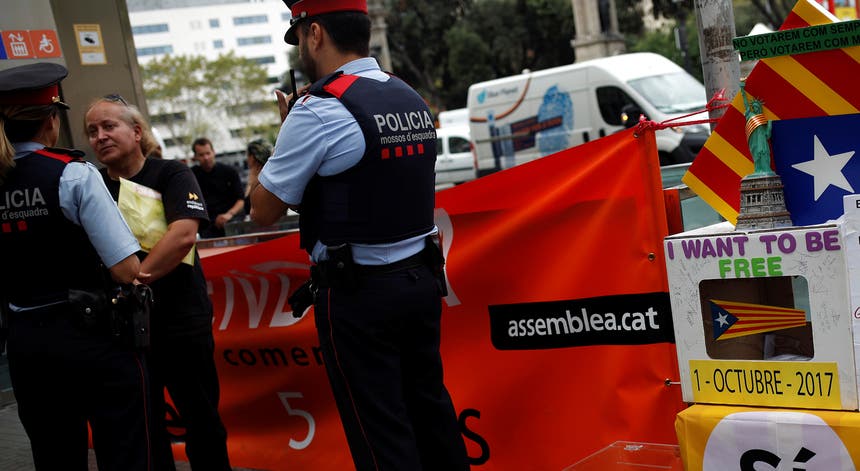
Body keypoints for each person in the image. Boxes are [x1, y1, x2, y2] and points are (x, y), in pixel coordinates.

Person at [251, 1, 469, 469]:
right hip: (421, 282)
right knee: (432, 412)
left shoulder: (317, 110)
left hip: (360, 296)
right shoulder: (409, 95)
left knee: (381, 434)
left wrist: (286, 130)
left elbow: (263, 209)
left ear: (314, 35)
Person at [0, 63, 150, 470]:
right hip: (90, 334)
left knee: (54, 456)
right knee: (124, 452)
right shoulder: (72, 173)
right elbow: (126, 269)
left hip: (26, 343)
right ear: (51, 119)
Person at [84, 96, 232, 471]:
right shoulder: (94, 186)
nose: (99, 137)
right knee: (144, 430)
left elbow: (184, 234)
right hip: (124, 332)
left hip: (183, 323)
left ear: (136, 132)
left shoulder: (172, 174)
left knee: (202, 422)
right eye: (92, 131)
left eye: (108, 127)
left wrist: (136, 280)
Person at [190, 137, 244, 238]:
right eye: (201, 155)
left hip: (231, 221)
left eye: (208, 153)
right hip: (206, 225)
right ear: (195, 157)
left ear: (214, 152)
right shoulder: (191, 175)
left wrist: (229, 215)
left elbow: (240, 200)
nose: (206, 158)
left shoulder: (229, 172)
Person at [740, 80, 774, 177]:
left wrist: (770, 125)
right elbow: (746, 104)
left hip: (762, 139)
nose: (755, 108)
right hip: (754, 140)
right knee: (757, 154)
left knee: (764, 152)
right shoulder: (750, 115)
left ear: (759, 108)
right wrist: (742, 91)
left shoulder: (762, 119)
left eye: (756, 107)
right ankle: (758, 169)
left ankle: (765, 168)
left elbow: (767, 134)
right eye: (753, 107)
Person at [243, 138, 272, 214]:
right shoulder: (273, 174)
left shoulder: (256, 179)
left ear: (252, 158)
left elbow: (248, 207)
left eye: (247, 155)